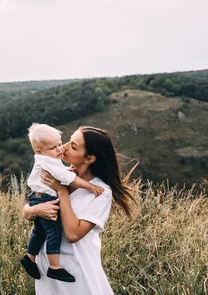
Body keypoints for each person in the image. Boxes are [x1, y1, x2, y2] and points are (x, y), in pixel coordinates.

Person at [23, 126, 138, 294]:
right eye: (68, 141)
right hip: (47, 270)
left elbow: (73, 234)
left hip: (75, 270)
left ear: (90, 158)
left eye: (74, 146)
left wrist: (62, 192)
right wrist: (31, 211)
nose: (64, 147)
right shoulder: (60, 174)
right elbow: (31, 205)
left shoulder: (100, 191)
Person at [20, 123, 104, 283]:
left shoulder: (47, 159)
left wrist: (33, 209)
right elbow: (67, 179)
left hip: (39, 197)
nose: (61, 148)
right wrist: (89, 186)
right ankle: (54, 267)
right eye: (54, 147)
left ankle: (30, 257)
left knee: (40, 231)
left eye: (63, 144)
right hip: (45, 198)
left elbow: (62, 174)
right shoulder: (48, 162)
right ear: (39, 151)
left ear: (90, 158)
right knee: (53, 232)